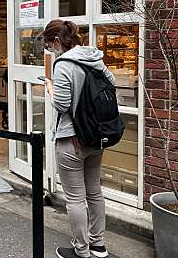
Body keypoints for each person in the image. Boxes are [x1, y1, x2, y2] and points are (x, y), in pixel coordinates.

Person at [42, 20, 115, 258]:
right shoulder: (94, 57)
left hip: (72, 138)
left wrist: (50, 88)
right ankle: (98, 245)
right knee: (94, 191)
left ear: (56, 41)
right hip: (96, 135)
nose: (50, 50)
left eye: (49, 45)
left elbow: (62, 104)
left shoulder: (63, 63)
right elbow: (112, 84)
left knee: (75, 197)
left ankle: (81, 250)